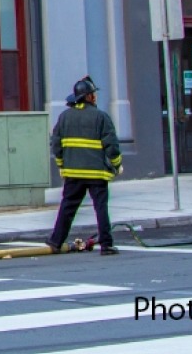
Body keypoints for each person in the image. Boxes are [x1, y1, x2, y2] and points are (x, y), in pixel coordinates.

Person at [46, 77, 123, 256]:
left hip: (73, 173)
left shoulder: (64, 117)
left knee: (68, 206)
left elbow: (56, 146)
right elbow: (112, 145)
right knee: (101, 207)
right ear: (88, 97)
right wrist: (117, 165)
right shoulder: (101, 117)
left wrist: (62, 166)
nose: (95, 97)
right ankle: (106, 245)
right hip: (97, 173)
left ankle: (56, 241)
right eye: (93, 94)